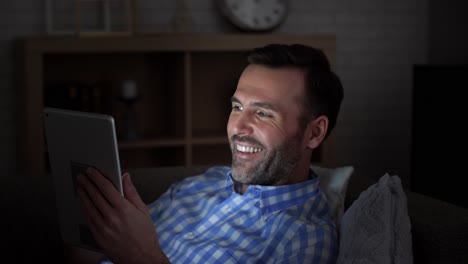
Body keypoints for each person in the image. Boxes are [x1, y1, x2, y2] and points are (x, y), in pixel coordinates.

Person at [77, 43, 344, 264]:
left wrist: (142, 257)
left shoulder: (305, 241)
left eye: (263, 113)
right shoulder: (201, 184)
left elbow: (132, 251)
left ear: (314, 133)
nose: (236, 127)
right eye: (237, 107)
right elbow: (102, 250)